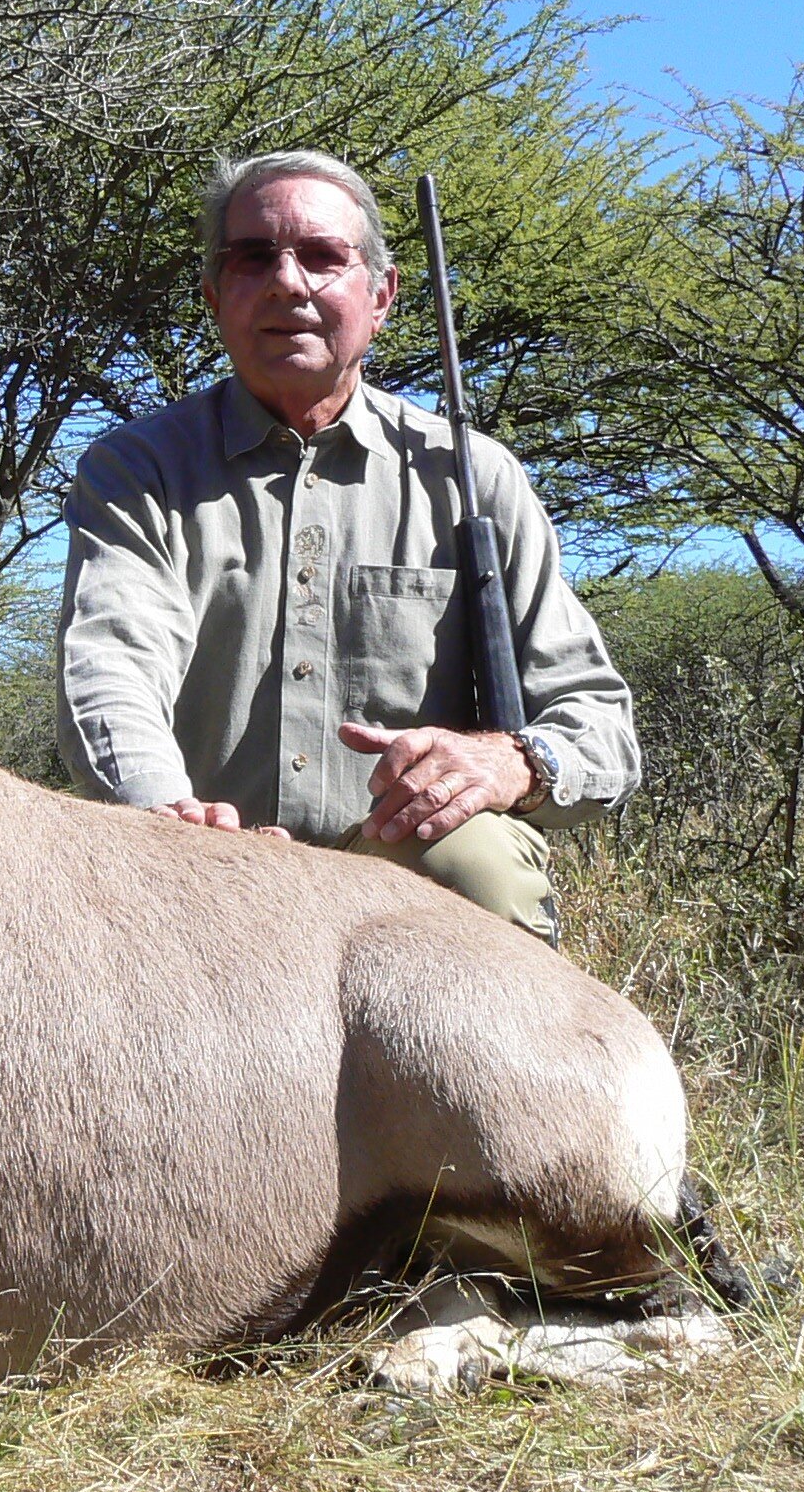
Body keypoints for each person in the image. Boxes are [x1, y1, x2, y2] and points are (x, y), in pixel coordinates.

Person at [53, 150, 638, 944]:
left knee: (480, 866)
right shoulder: (137, 468)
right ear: (215, 296)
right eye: (253, 258)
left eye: (324, 257)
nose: (288, 283)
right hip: (202, 871)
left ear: (382, 295)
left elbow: (598, 723)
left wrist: (511, 764)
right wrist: (168, 818)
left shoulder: (476, 476)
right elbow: (112, 665)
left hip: (398, 883)